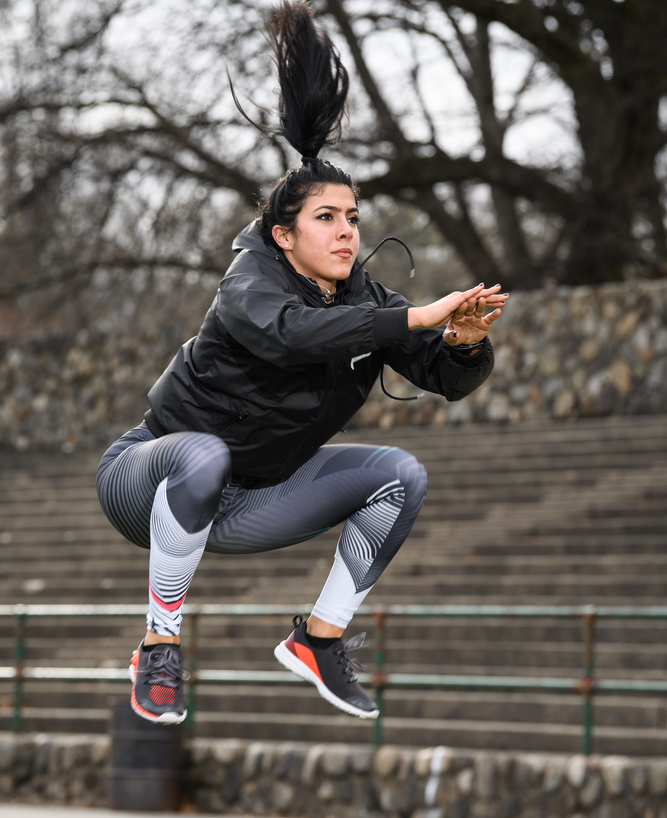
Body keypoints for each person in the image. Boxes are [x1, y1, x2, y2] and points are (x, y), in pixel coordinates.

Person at [96, 0, 507, 726]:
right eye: (327, 218)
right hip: (148, 479)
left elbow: (445, 379)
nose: (346, 230)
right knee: (200, 453)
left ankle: (319, 639)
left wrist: (462, 342)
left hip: (251, 501)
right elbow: (288, 336)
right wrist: (413, 315)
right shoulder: (249, 284)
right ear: (283, 235)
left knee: (399, 475)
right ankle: (159, 645)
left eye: (352, 217)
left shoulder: (367, 300)